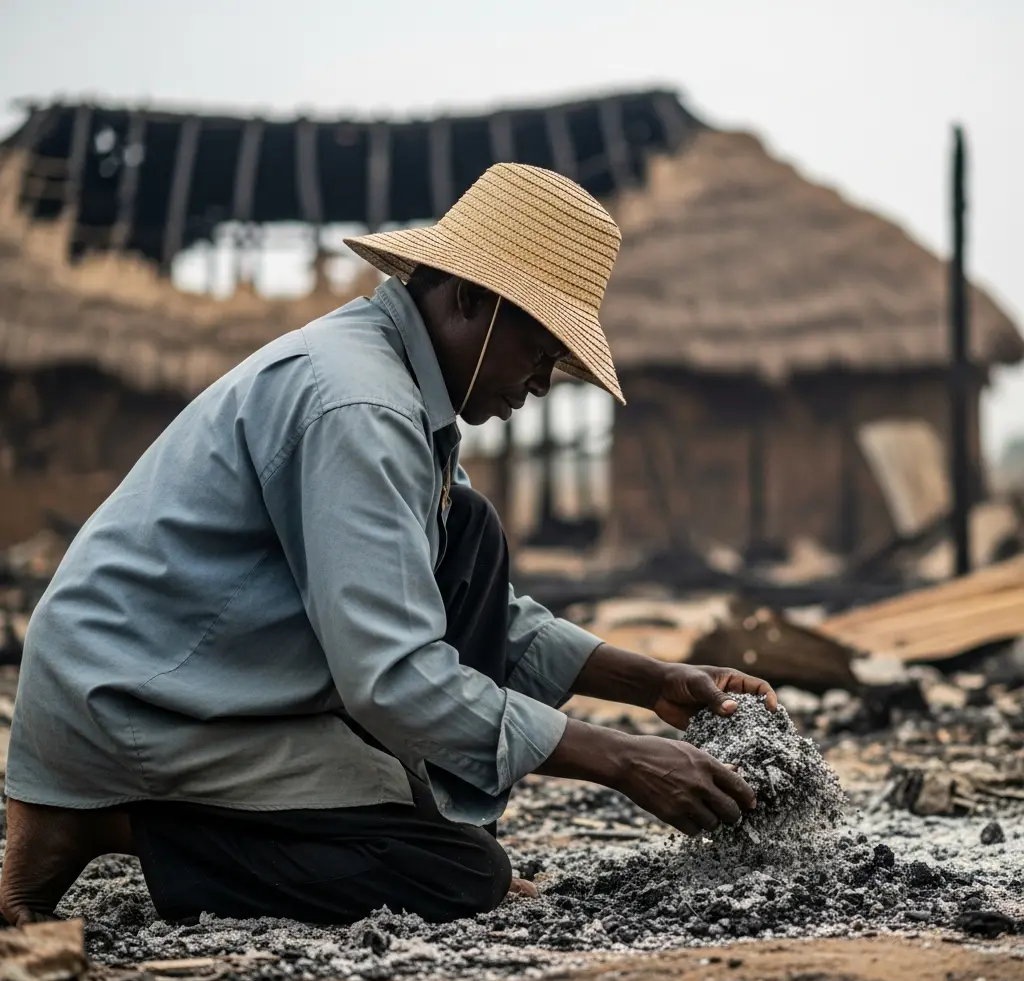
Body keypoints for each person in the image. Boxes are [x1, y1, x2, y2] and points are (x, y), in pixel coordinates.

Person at [1, 163, 776, 929]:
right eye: (540, 351)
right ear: (470, 298)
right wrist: (621, 760)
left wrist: (650, 683)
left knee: (465, 533)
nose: (542, 384)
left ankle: (398, 825)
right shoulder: (361, 404)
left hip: (210, 678)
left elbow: (449, 599)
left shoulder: (404, 397)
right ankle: (108, 822)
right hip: (135, 701)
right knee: (452, 874)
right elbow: (395, 674)